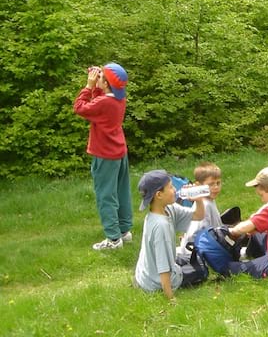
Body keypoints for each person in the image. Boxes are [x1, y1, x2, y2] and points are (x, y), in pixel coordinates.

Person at [73, 62, 133, 251]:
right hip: (119, 151)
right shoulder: (118, 98)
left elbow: (80, 108)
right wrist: (99, 84)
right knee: (121, 191)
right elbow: (98, 104)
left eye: (100, 77)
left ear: (106, 83)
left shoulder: (104, 102)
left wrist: (89, 86)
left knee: (106, 195)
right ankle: (124, 230)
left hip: (105, 155)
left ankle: (113, 239)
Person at [134, 170, 208, 301]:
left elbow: (199, 215)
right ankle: (165, 286)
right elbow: (163, 268)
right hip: (155, 282)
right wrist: (170, 298)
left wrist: (198, 199)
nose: (175, 189)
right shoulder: (160, 226)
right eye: (171, 187)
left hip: (146, 274)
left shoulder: (168, 208)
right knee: (202, 270)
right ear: (159, 195)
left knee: (189, 258)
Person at [176, 162, 224, 259]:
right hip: (196, 253)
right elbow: (193, 235)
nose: (216, 187)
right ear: (198, 185)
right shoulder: (204, 205)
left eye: (218, 183)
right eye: (211, 184)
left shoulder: (209, 200)